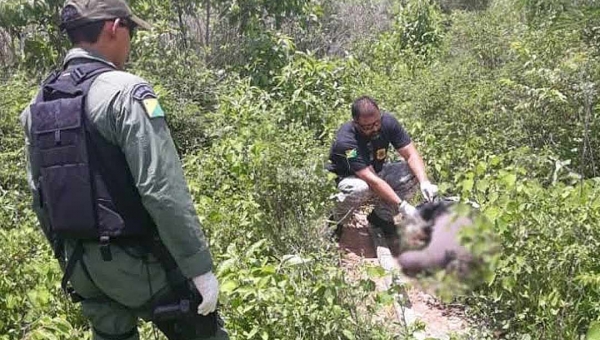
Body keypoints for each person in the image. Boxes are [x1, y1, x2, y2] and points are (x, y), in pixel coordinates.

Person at [19, 1, 228, 339]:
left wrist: (68, 258)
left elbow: (39, 196)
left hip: (80, 266)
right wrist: (199, 269)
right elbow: (162, 190)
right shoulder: (126, 92)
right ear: (114, 27)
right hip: (135, 264)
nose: (131, 42)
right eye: (131, 31)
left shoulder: (37, 103)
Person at [327, 96, 439, 239]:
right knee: (360, 188)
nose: (375, 128)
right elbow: (372, 180)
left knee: (413, 173)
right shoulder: (346, 142)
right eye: (367, 126)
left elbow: (411, 154)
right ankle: (336, 221)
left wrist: (424, 182)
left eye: (377, 123)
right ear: (355, 123)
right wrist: (403, 206)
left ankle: (381, 218)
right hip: (349, 178)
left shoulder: (388, 122)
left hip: (375, 171)